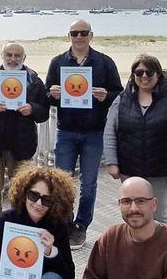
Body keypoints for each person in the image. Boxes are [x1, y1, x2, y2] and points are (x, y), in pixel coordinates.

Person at [44, 19, 123, 249]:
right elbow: (46, 94)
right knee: (62, 182)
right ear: (68, 35)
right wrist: (53, 94)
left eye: (83, 33)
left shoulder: (104, 62)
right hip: (66, 131)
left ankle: (81, 225)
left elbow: (119, 93)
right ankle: (64, 222)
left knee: (89, 183)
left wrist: (105, 95)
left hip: (93, 133)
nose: (78, 37)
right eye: (74, 33)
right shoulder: (58, 62)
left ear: (91, 35)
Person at [0, 42, 50, 245]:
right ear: (2, 55)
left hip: (22, 145)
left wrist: (32, 108)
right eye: (9, 54)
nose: (12, 59)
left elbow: (44, 112)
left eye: (17, 55)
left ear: (24, 58)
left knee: (23, 189)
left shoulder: (33, 81)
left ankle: (21, 225)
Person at [78, 177, 167, 279]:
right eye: (126, 201)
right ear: (119, 204)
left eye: (141, 201)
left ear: (154, 204)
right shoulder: (110, 238)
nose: (133, 208)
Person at [103, 54, 167, 224]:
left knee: (158, 216)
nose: (144, 76)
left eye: (149, 72)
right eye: (139, 73)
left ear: (159, 74)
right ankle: (132, 250)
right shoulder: (122, 100)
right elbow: (110, 131)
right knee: (132, 214)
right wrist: (111, 162)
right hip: (129, 168)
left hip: (161, 171)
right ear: (133, 75)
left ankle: (160, 251)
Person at [0, 164, 78, 279]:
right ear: (24, 194)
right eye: (33, 195)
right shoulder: (7, 219)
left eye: (47, 199)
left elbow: (68, 276)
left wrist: (52, 252)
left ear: (55, 202)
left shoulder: (57, 225)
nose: (38, 204)